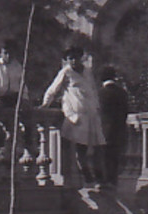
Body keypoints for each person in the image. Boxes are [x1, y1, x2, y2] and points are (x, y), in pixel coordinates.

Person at [42, 44, 105, 188]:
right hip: (77, 115)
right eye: (70, 59)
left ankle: (100, 178)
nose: (74, 61)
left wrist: (97, 107)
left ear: (81, 58)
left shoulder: (88, 72)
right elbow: (53, 90)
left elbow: (93, 90)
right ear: (67, 60)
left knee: (97, 148)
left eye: (76, 58)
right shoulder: (66, 72)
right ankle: (89, 179)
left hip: (91, 115)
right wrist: (45, 104)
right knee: (80, 149)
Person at [0, 39, 23, 158]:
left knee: (23, 113)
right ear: (1, 53)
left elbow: (22, 84)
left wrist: (24, 98)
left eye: (11, 53)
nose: (8, 56)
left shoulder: (18, 66)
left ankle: (19, 143)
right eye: (5, 53)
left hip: (12, 98)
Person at [97, 66, 131, 187]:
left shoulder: (100, 93)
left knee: (103, 157)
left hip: (103, 131)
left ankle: (104, 181)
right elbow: (126, 111)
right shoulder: (122, 93)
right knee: (115, 157)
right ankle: (113, 181)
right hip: (119, 130)